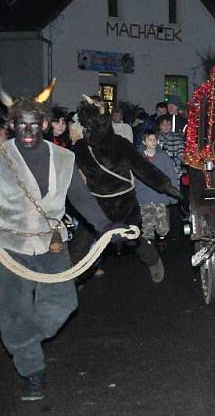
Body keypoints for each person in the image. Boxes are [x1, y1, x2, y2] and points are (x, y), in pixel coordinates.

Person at [0, 94, 118, 401]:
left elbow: (80, 197)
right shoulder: (1, 156)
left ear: (45, 125)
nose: (28, 131)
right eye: (21, 125)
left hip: (50, 242)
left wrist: (106, 226)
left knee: (64, 303)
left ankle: (22, 341)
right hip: (9, 246)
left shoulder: (64, 159)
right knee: (14, 313)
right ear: (12, 125)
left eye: (34, 124)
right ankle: (32, 372)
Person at [72, 98, 181, 283]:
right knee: (81, 243)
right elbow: (71, 176)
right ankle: (70, 279)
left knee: (134, 238)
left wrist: (165, 185)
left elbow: (142, 167)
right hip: (96, 203)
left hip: (124, 203)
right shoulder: (80, 148)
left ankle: (153, 260)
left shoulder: (120, 143)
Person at [135, 131, 179, 250]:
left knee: (162, 226)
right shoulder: (138, 159)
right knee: (147, 225)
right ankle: (149, 247)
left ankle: (161, 239)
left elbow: (171, 174)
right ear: (144, 142)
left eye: (155, 139)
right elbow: (132, 177)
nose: (153, 142)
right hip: (144, 196)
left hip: (160, 196)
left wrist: (174, 193)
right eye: (150, 140)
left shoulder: (163, 156)